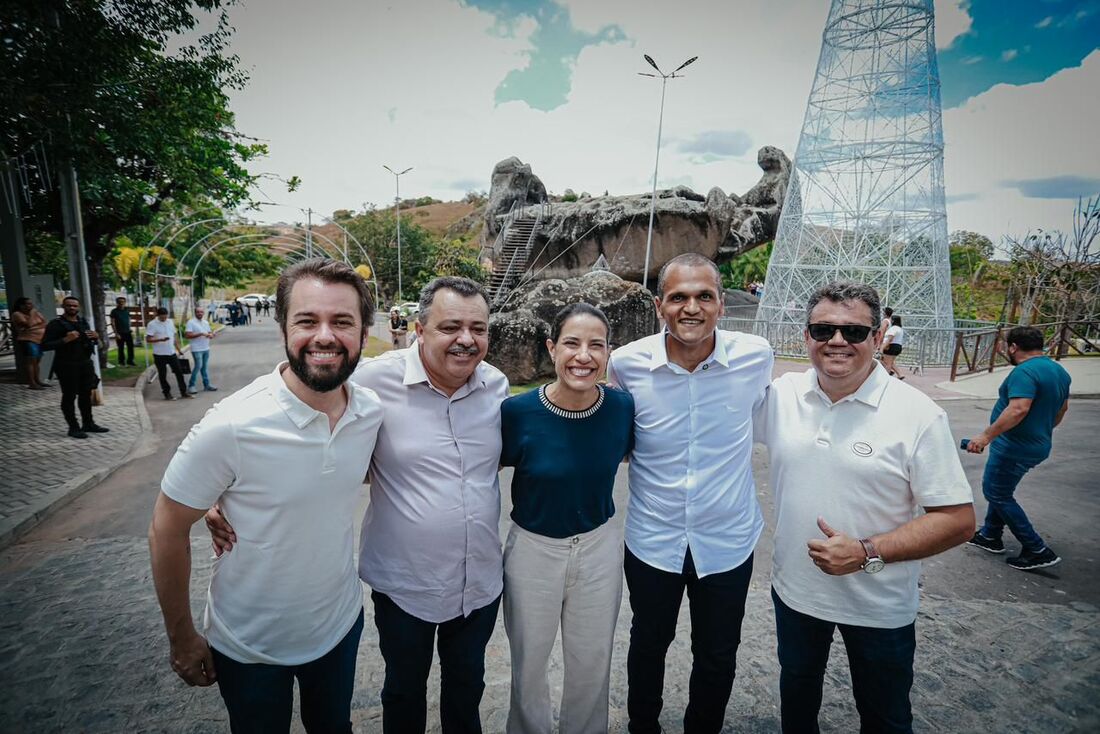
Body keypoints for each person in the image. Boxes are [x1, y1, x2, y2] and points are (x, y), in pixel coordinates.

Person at [208, 276, 508, 733]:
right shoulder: (371, 380)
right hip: (406, 583)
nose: (466, 340)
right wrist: (218, 492)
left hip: (480, 581)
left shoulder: (497, 386)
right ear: (419, 330)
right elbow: (287, 412)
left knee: (467, 688)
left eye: (478, 328)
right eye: (451, 327)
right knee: (404, 691)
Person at [149, 258, 383, 733]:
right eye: (306, 320)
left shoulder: (370, 411)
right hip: (248, 646)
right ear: (283, 328)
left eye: (342, 321)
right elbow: (165, 528)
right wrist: (182, 637)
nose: (324, 336)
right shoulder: (231, 425)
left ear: (364, 332)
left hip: (338, 627)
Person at [756, 281, 974, 734]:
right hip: (796, 594)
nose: (837, 341)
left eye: (854, 332)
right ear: (806, 337)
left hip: (879, 604)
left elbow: (957, 520)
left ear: (879, 338)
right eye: (823, 329)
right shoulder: (782, 395)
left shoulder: (918, 413)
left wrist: (866, 551)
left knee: (885, 716)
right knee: (797, 703)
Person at [607, 253, 773, 734]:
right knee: (647, 646)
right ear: (661, 306)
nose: (691, 307)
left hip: (727, 541)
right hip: (653, 541)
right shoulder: (627, 364)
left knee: (718, 653)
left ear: (722, 304)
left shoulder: (755, 356)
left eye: (704, 296)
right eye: (678, 297)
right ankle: (644, 727)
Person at [500, 303, 634, 734]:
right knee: (529, 661)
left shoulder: (621, 408)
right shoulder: (517, 413)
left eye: (596, 345)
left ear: (608, 353)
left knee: (592, 661)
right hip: (533, 550)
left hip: (598, 547)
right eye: (572, 343)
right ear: (552, 348)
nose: (584, 356)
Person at [965, 325, 1070, 571]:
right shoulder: (1058, 371)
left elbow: (1018, 408)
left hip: (1014, 447)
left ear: (1013, 347)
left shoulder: (1024, 372)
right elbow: (1062, 410)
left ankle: (1036, 549)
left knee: (997, 493)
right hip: (1038, 444)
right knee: (1001, 489)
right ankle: (990, 535)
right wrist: (1041, 430)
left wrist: (985, 436)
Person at [41, 296, 109, 438]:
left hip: (84, 363)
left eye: (74, 306)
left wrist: (96, 337)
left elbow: (92, 342)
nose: (72, 308)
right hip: (66, 365)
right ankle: (73, 427)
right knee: (69, 396)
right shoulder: (56, 324)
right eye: (69, 305)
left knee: (86, 394)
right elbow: (45, 345)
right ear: (63, 306)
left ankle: (88, 423)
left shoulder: (83, 322)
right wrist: (65, 339)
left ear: (78, 307)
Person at [146, 307, 192, 400]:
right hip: (159, 354)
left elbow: (174, 336)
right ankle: (167, 393)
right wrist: (160, 339)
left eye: (165, 317)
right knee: (163, 375)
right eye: (162, 317)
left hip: (171, 352)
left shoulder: (170, 322)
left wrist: (178, 349)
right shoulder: (152, 324)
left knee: (179, 372)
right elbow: (148, 339)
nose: (164, 319)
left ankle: (184, 392)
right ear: (158, 316)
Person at [11, 296, 48, 389]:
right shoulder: (17, 314)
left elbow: (44, 323)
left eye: (31, 304)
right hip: (28, 340)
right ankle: (32, 383)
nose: (30, 306)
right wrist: (32, 314)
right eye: (27, 304)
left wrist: (33, 327)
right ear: (21, 306)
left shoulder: (37, 313)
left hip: (39, 340)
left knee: (37, 361)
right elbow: (28, 324)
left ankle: (38, 380)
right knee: (31, 361)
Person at [185, 306, 218, 394]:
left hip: (206, 347)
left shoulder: (205, 322)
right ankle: (191, 385)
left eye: (201, 312)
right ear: (195, 313)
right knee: (198, 366)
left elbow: (208, 332)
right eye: (198, 312)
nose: (200, 313)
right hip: (196, 348)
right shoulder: (191, 322)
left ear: (204, 313)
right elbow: (188, 335)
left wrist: (212, 334)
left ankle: (207, 385)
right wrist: (200, 334)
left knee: (204, 367)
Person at [109, 296, 137, 366]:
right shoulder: (114, 311)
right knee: (121, 348)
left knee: (130, 347)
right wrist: (116, 333)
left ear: (125, 303)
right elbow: (112, 323)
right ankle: (121, 362)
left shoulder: (126, 310)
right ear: (117, 303)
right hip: (119, 332)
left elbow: (129, 320)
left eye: (123, 302)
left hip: (128, 332)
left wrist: (130, 328)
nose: (121, 303)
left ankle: (130, 361)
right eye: (120, 302)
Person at [881, 313, 905, 379]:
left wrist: (882, 347)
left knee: (887, 363)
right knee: (890, 362)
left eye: (891, 319)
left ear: (893, 321)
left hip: (891, 346)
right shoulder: (900, 329)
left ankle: (886, 377)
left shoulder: (893, 328)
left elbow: (890, 339)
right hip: (898, 346)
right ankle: (900, 374)